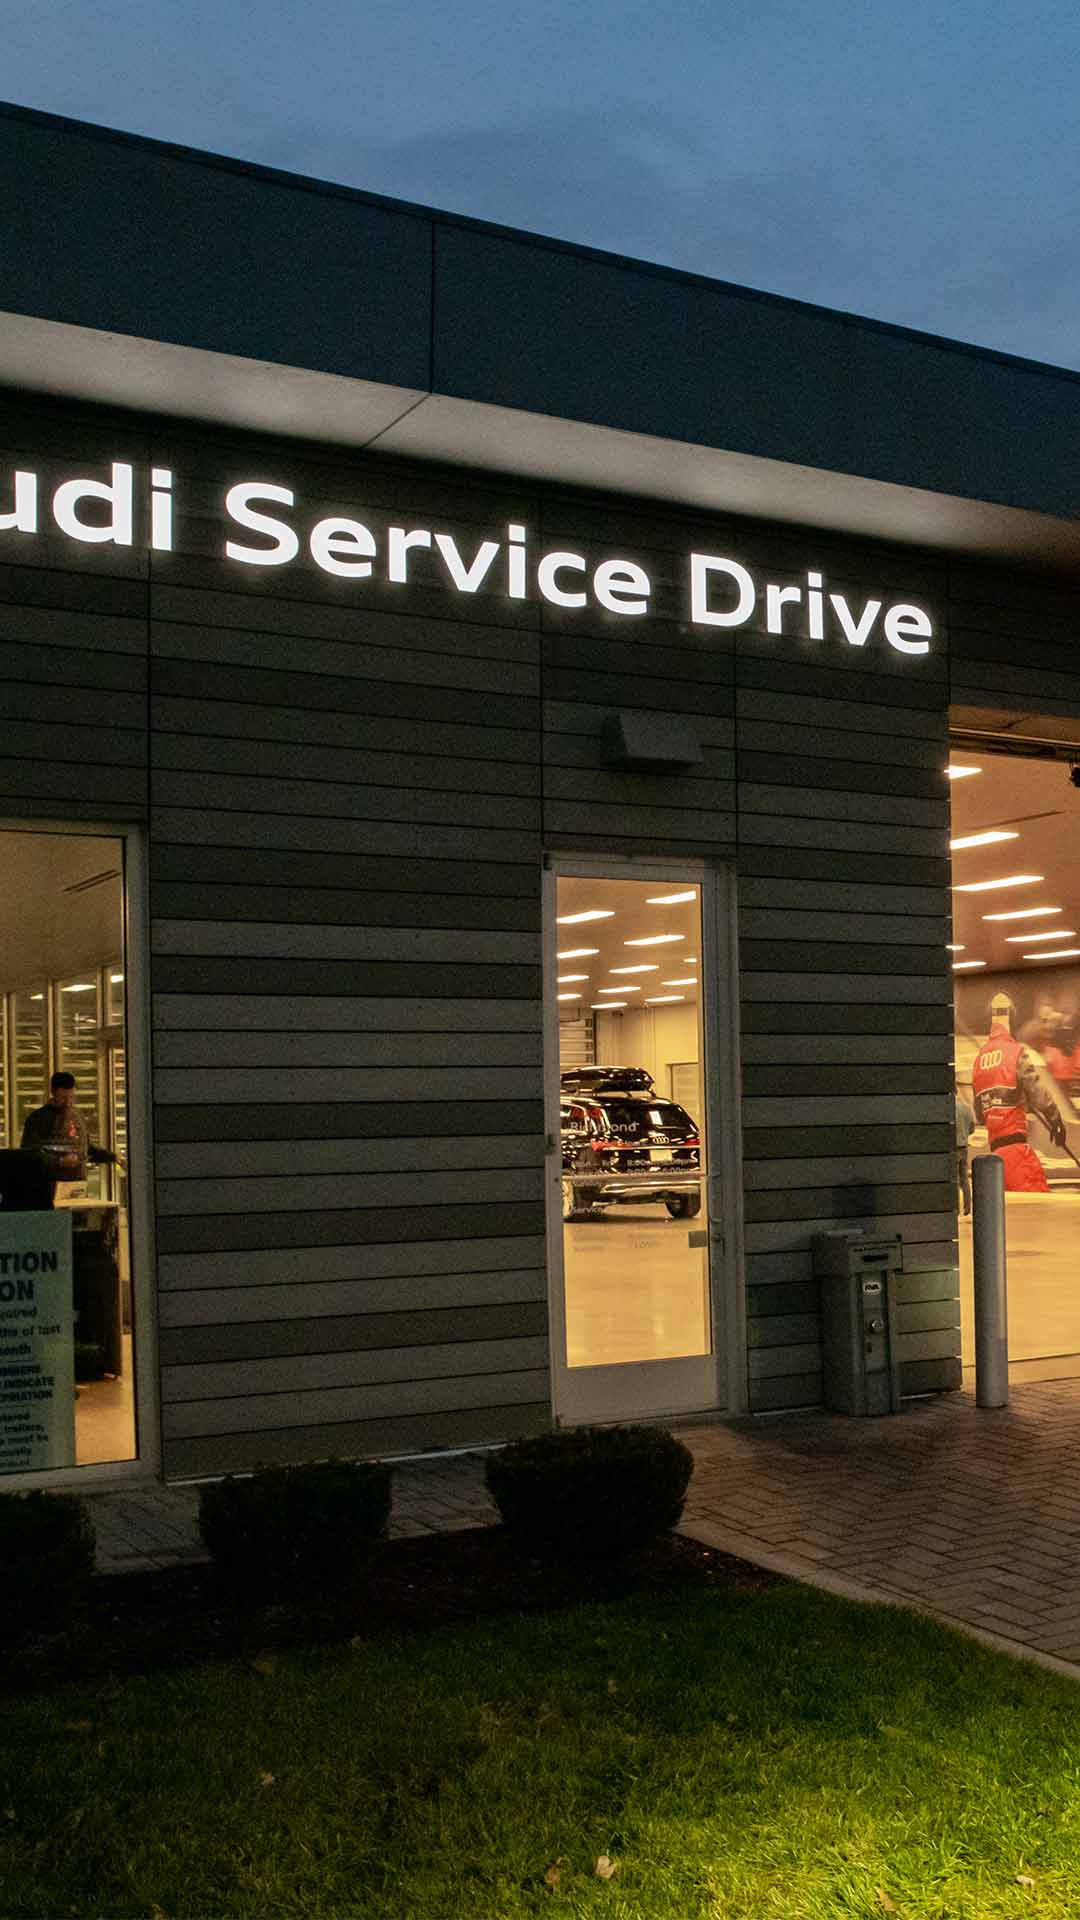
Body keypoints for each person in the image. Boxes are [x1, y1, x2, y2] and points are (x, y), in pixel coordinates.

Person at [972, 993, 1066, 1193]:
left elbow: (980, 1115)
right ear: (1013, 1019)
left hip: (995, 1162)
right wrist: (1056, 1121)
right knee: (1042, 1209)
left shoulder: (979, 1060)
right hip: (1017, 1155)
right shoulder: (1015, 1053)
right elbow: (1039, 1094)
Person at [20, 1072, 117, 1182]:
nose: (68, 1103)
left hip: (77, 1182)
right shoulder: (37, 1119)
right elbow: (29, 1154)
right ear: (53, 1093)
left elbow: (86, 1146)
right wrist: (59, 1161)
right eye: (63, 1098)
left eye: (71, 1097)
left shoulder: (77, 1116)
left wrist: (111, 1157)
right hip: (49, 1185)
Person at [954, 1089, 975, 1216]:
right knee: (964, 1180)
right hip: (964, 1148)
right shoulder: (966, 1109)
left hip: (952, 1149)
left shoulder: (948, 1109)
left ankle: (955, 1209)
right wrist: (964, 1134)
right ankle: (967, 1208)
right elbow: (972, 1128)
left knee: (954, 1180)